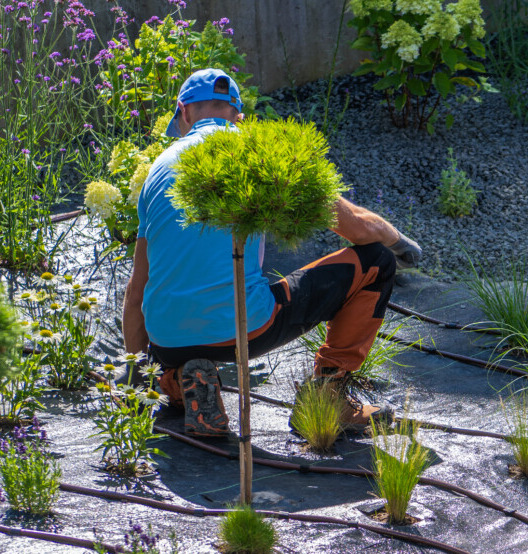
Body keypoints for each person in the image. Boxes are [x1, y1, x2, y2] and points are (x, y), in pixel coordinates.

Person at [121, 68, 423, 437]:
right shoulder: (260, 155)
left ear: (183, 112)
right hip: (245, 330)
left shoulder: (155, 171)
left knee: (173, 340)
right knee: (377, 262)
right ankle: (327, 396)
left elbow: (137, 287)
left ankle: (175, 379)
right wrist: (399, 242)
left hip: (167, 339)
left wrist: (136, 373)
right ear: (240, 117)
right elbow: (359, 228)